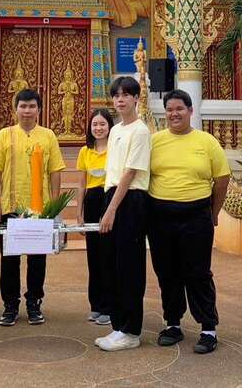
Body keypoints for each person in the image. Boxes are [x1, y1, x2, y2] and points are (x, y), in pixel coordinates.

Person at [147, 90, 230, 354]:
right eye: (170, 109)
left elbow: (222, 179)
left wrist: (213, 212)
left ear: (190, 111)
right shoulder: (154, 141)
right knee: (167, 271)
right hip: (160, 216)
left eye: (179, 109)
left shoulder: (207, 142)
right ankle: (172, 323)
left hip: (196, 215)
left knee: (198, 272)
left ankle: (208, 327)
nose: (174, 114)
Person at [0, 88, 66, 326]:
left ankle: (34, 302)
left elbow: (55, 171)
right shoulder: (5, 135)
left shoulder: (48, 135)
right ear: (16, 109)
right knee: (9, 259)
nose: (27, 111)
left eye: (32, 106)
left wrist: (54, 205)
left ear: (39, 110)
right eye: (23, 106)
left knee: (37, 259)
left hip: (39, 209)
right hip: (10, 206)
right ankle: (10, 305)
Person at [95, 77, 151, 352]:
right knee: (113, 264)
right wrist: (108, 205)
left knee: (130, 265)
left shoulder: (141, 131)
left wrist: (112, 210)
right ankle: (118, 325)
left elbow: (130, 173)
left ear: (136, 98)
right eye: (116, 95)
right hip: (113, 195)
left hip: (130, 200)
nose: (120, 99)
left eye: (126, 94)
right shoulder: (116, 129)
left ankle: (130, 330)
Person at [76, 108, 113, 327]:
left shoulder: (115, 149)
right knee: (94, 255)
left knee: (108, 254)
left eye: (102, 124)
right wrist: (79, 212)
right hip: (92, 200)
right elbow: (82, 184)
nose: (98, 128)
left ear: (110, 126)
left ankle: (109, 306)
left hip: (109, 199)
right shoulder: (85, 151)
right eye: (95, 125)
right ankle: (96, 304)